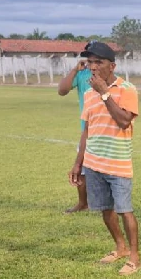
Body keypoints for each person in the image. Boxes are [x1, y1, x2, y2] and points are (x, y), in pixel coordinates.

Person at [68, 42, 141, 276]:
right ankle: (119, 248)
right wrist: (78, 163)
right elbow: (87, 131)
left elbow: (123, 121)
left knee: (125, 210)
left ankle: (134, 257)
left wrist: (105, 93)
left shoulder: (127, 89)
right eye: (90, 62)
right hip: (94, 163)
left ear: (112, 66)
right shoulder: (88, 94)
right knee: (105, 209)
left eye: (98, 62)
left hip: (118, 163)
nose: (93, 67)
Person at [57, 57, 93, 213]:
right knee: (82, 168)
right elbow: (62, 90)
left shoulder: (106, 73)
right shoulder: (81, 74)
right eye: (89, 57)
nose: (91, 61)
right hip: (86, 129)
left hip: (104, 129)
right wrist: (74, 70)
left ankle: (109, 205)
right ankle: (83, 203)